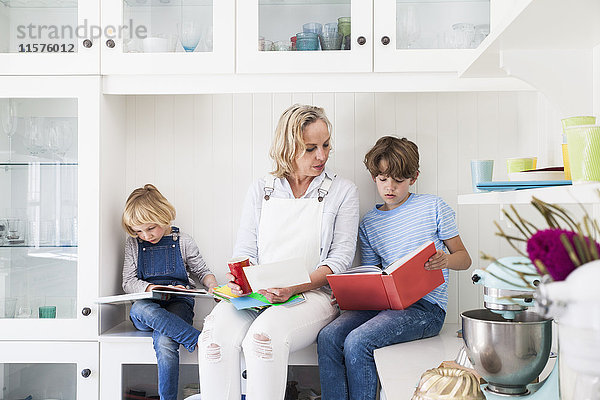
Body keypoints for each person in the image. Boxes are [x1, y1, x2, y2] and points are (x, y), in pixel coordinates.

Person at [198, 104, 360, 400]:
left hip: (313, 295)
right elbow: (245, 249)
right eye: (310, 148)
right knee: (212, 339)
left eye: (325, 145)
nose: (321, 156)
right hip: (259, 292)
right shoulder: (262, 189)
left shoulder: (342, 191)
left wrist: (292, 287)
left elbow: (339, 261)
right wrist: (239, 279)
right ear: (288, 147)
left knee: (263, 339)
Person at [317, 136, 472, 400]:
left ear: (414, 177)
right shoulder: (369, 223)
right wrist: (350, 293)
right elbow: (370, 275)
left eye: (398, 180)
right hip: (384, 306)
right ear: (374, 178)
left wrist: (445, 260)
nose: (390, 187)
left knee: (358, 342)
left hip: (426, 309)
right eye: (382, 179)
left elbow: (464, 258)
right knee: (329, 336)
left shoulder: (433, 207)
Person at [121, 184, 218, 400]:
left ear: (165, 216)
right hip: (148, 308)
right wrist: (152, 288)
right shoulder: (132, 244)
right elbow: (128, 282)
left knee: (165, 342)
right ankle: (195, 340)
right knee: (140, 307)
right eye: (138, 231)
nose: (145, 235)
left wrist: (212, 285)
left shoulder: (183, 241)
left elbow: (201, 271)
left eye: (150, 228)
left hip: (178, 304)